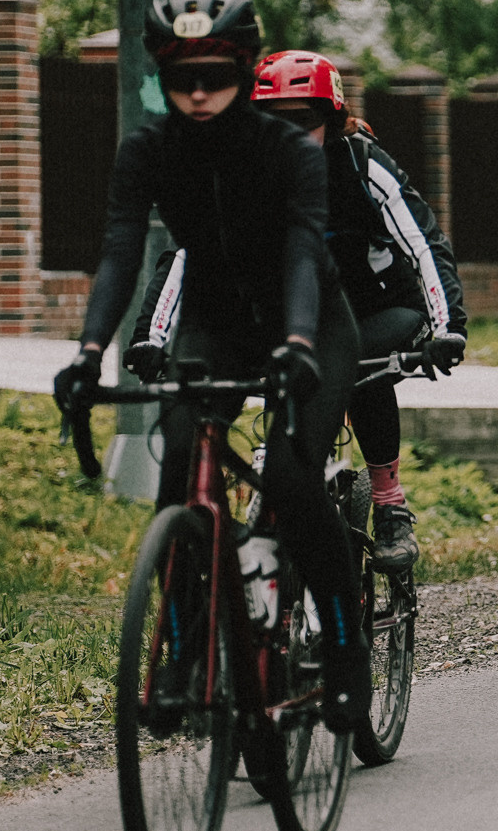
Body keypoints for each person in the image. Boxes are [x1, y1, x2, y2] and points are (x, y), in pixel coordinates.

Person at [53, 0, 371, 731]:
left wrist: (295, 343)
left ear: (244, 68)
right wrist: (89, 351)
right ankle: (188, 653)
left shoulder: (287, 149)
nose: (199, 94)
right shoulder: (147, 151)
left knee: (292, 482)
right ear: (163, 76)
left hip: (312, 320)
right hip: (216, 321)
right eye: (181, 76)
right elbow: (122, 252)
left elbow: (300, 250)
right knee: (178, 473)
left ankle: (347, 647)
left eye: (218, 75)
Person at [126, 51, 469, 573]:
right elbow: (190, 254)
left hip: (376, 307)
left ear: (332, 121)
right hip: (291, 316)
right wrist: (152, 336)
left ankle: (389, 504)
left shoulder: (362, 164)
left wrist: (448, 327)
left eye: (304, 122)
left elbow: (424, 243)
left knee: (362, 372)